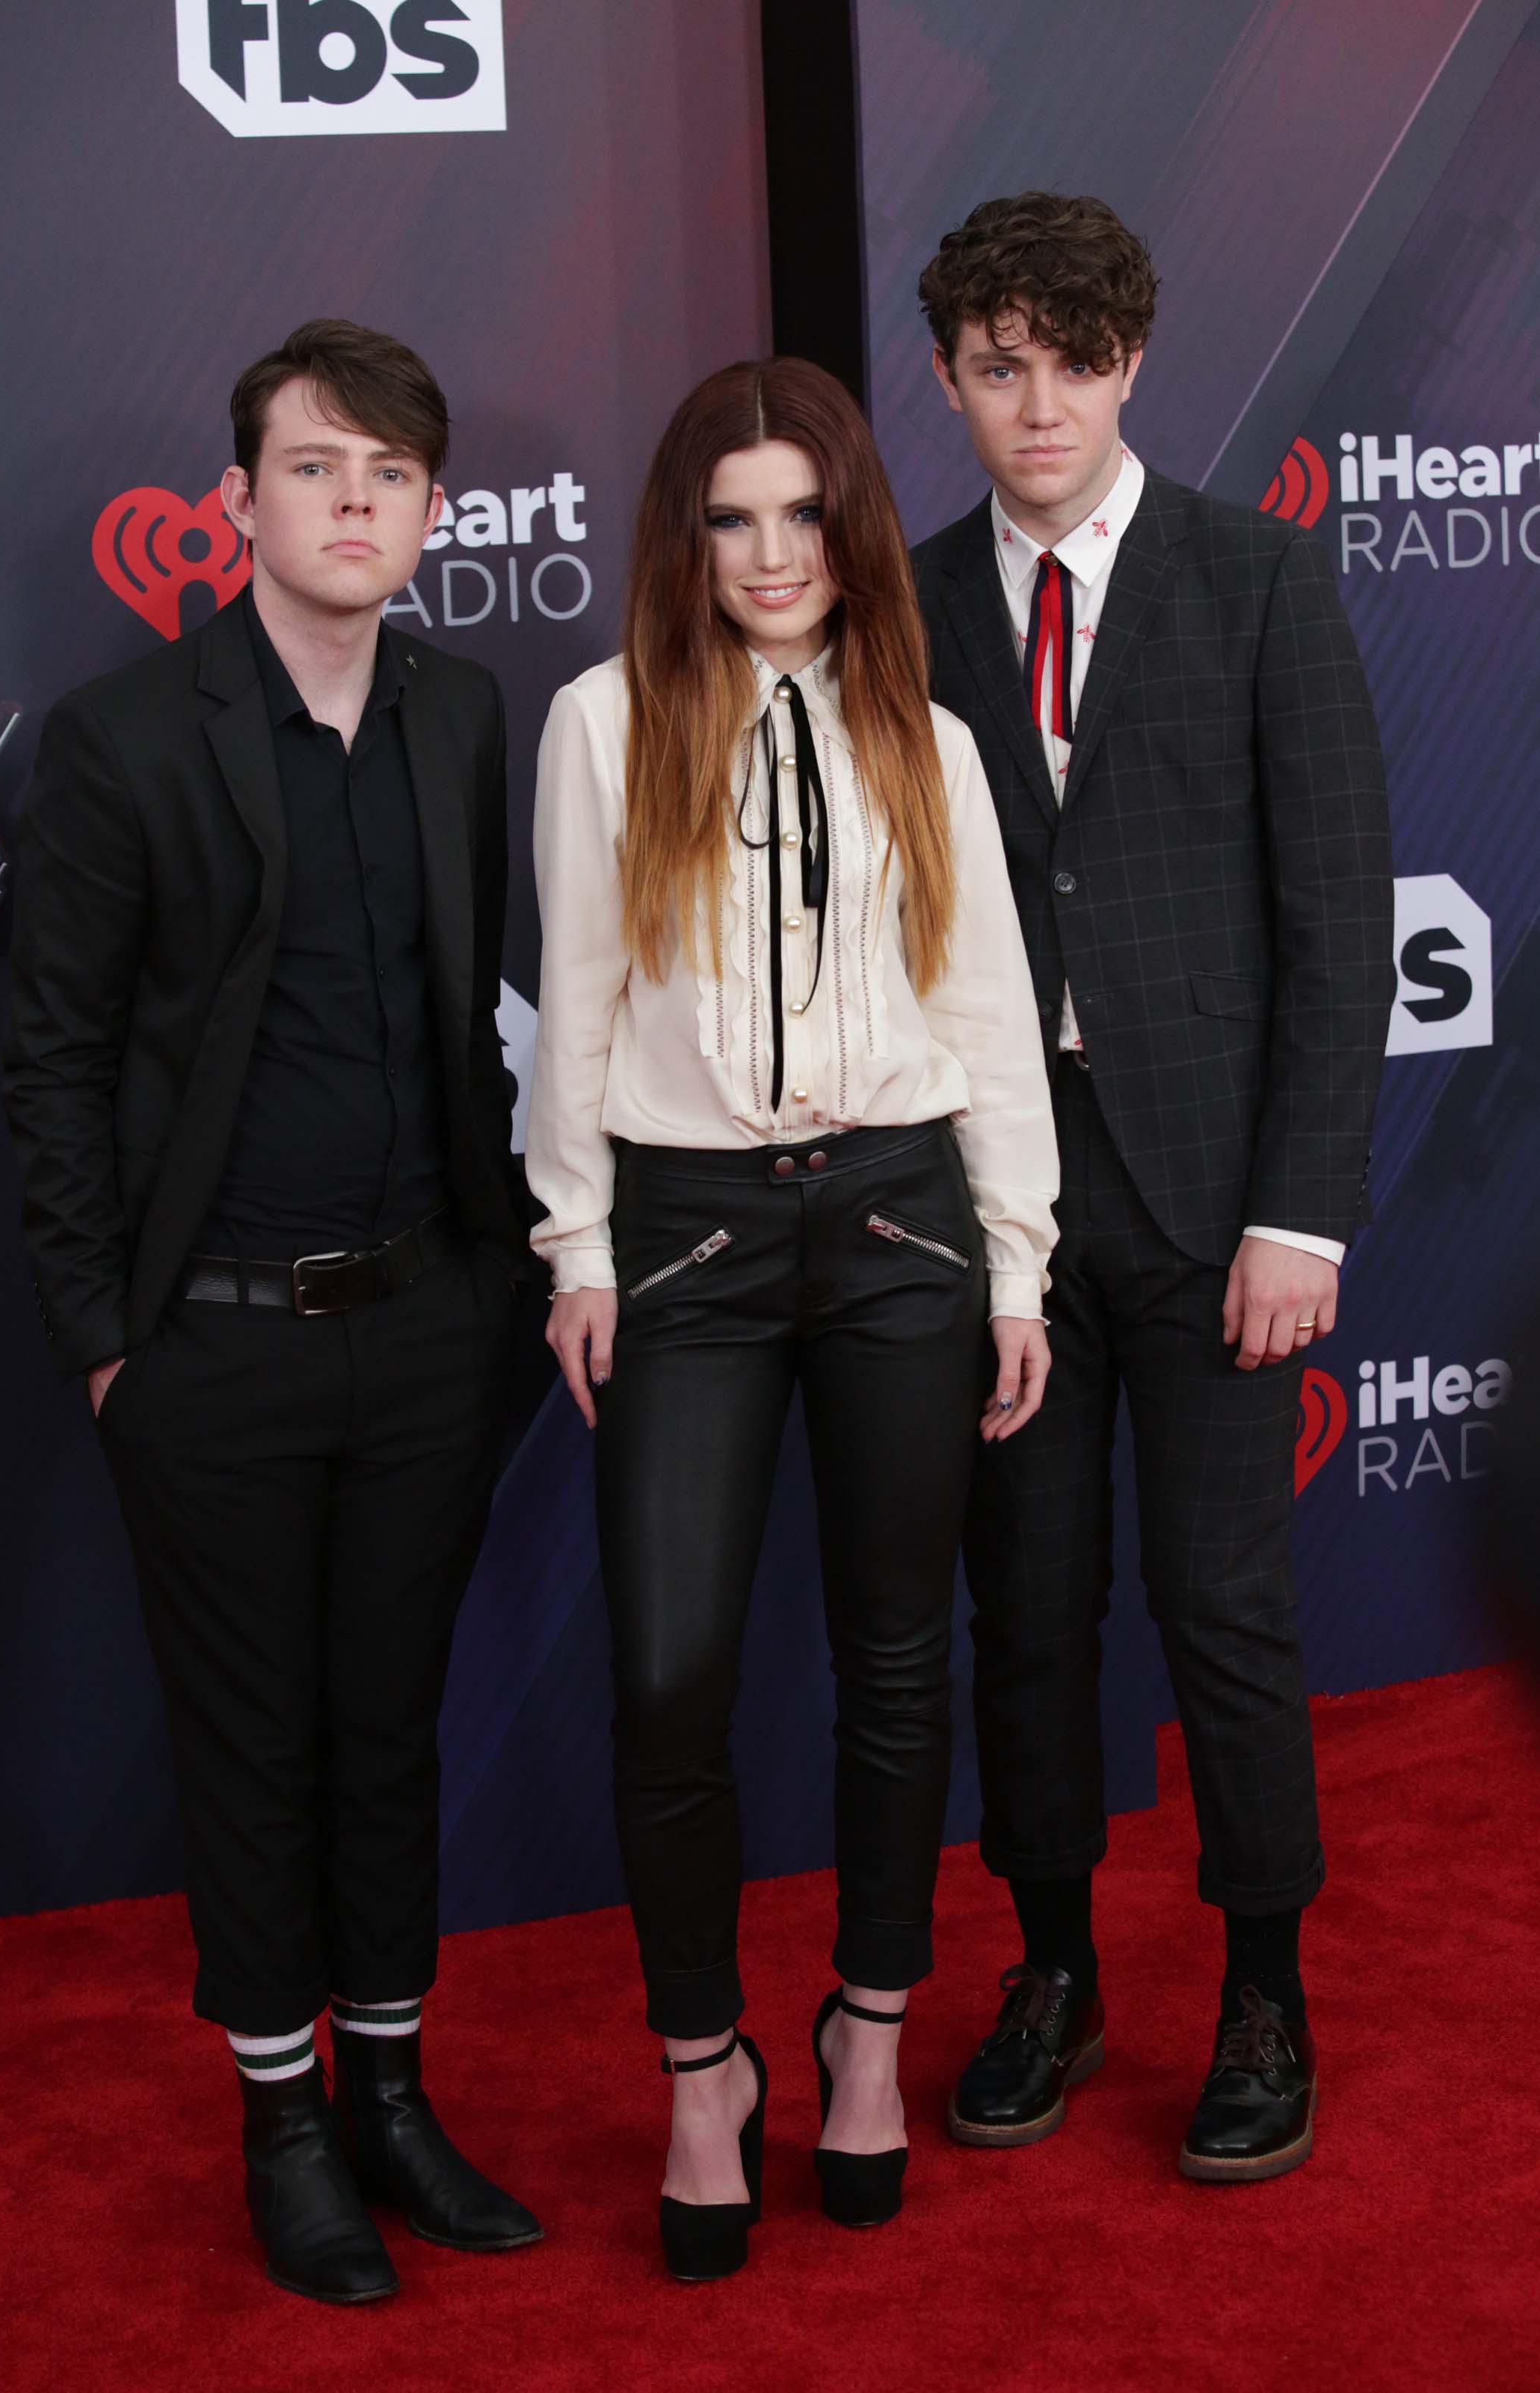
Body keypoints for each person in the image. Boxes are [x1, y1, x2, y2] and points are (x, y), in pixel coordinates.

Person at [4, 320, 541, 2303]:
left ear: (427, 511)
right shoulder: (127, 736)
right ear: (236, 501)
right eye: (315, 468)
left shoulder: (463, 715)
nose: (352, 504)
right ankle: (282, 2119)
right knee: (250, 1747)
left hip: (424, 1327)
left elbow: (463, 1018)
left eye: (390, 476)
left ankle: (391, 2092)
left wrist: (501, 1284)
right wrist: (104, 1339)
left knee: (385, 1727)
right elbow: (52, 1063)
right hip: (209, 1346)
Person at [526, 356, 1059, 2278]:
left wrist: (1016, 1256)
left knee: (894, 1657)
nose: (769, 555)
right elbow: (575, 1007)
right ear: (687, 533)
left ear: (846, 527)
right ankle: (698, 2069)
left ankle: (864, 2031)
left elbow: (989, 1007)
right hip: (685, 1241)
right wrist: (576, 1248)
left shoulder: (928, 726)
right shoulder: (601, 723)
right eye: (729, 516)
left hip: (907, 1224)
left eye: (802, 514)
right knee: (666, 1672)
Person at [911, 194, 1395, 2181]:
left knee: (1221, 1612)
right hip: (993, 1221)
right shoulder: (903, 596)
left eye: (1072, 361)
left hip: (1210, 1210)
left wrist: (1300, 1213)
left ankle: (1260, 1994)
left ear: (1131, 361)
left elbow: (1334, 914)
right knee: (1022, 1619)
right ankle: (1050, 1973)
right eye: (996, 365)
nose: (1036, 405)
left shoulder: (1257, 578)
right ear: (947, 379)